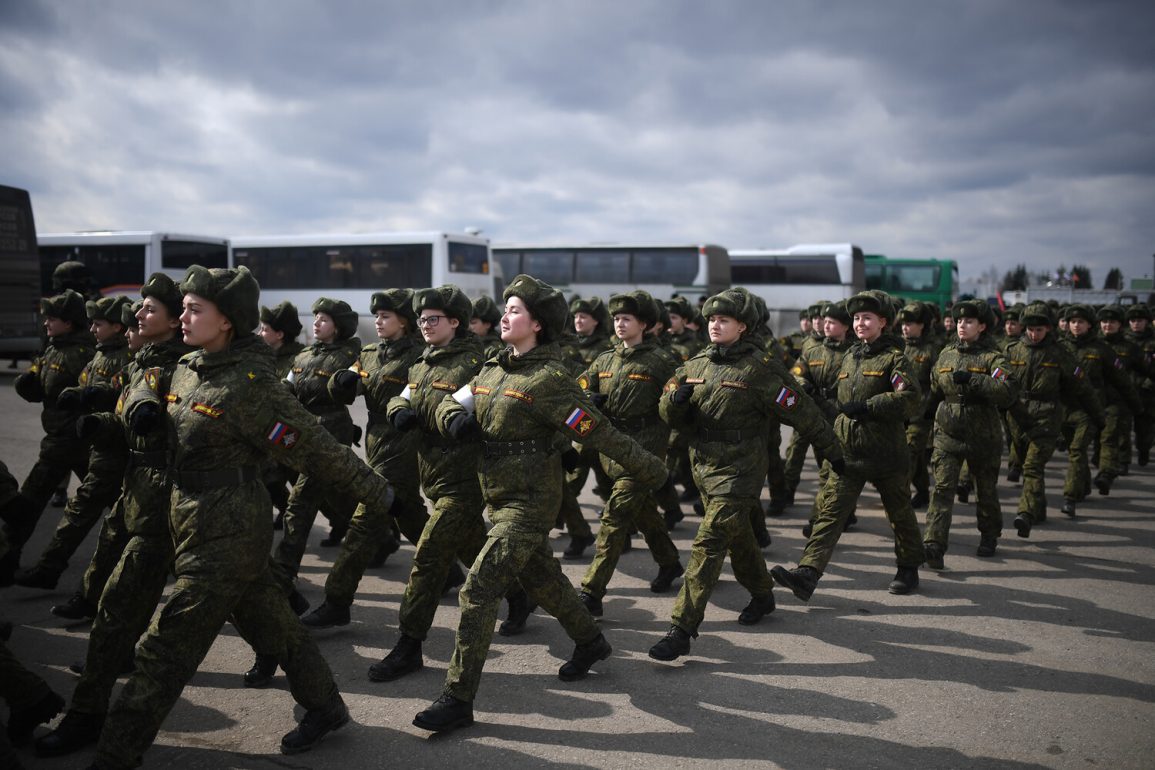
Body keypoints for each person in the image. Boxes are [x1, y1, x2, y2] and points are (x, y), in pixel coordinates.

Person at [87, 265, 396, 768]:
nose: (183, 317)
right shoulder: (189, 366)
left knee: (164, 650)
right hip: (185, 518)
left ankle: (114, 754)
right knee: (274, 625)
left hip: (229, 530)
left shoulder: (253, 384)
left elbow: (316, 449)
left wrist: (385, 499)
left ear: (227, 320)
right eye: (182, 308)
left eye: (195, 310)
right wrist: (136, 406)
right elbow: (144, 387)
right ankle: (326, 707)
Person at [411, 274, 668, 733]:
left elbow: (599, 431)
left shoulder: (550, 380)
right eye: (506, 309)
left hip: (530, 502)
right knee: (545, 581)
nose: (504, 316)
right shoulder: (495, 367)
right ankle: (590, 642)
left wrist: (652, 470)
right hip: (496, 497)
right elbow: (455, 400)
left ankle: (457, 698)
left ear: (539, 325)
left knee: (479, 589)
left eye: (514, 310)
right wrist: (454, 419)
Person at [34, 273, 194, 758]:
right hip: (137, 496)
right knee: (258, 608)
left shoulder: (184, 368)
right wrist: (97, 417)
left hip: (166, 504)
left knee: (120, 607)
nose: (138, 317)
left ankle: (89, 716)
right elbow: (132, 423)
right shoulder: (143, 362)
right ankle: (320, 699)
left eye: (148, 310)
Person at [648, 288, 843, 662]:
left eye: (723, 320)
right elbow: (667, 407)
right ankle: (762, 593)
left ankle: (682, 628)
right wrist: (673, 403)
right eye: (711, 319)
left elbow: (804, 414)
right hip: (704, 465)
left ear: (743, 325)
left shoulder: (761, 368)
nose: (715, 326)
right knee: (738, 539)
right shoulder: (697, 364)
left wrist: (836, 454)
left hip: (742, 468)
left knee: (708, 544)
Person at [369, 285, 493, 683]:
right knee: (475, 546)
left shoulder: (476, 362)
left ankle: (408, 646)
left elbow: (464, 405)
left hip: (464, 477)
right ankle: (523, 594)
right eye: (421, 319)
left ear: (455, 322)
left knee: (426, 560)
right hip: (433, 477)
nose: (424, 324)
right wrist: (399, 409)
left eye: (433, 319)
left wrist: (451, 419)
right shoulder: (423, 363)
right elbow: (399, 396)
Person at [772, 290, 926, 601]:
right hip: (849, 451)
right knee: (830, 513)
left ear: (883, 322)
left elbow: (910, 398)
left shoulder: (894, 359)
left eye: (867, 318)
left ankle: (909, 567)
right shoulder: (850, 356)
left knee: (899, 513)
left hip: (886, 453)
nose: (859, 323)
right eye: (856, 318)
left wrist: (871, 406)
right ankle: (808, 573)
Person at [300, 289, 429, 630]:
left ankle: (336, 601)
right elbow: (347, 387)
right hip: (375, 439)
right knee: (409, 513)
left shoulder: (419, 356)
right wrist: (343, 383)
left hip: (403, 442)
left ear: (404, 321)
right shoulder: (370, 353)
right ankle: (453, 572)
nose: (379, 322)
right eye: (377, 316)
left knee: (364, 522)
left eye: (386, 316)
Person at [576, 290, 684, 618]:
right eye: (617, 319)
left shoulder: (662, 361)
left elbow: (675, 407)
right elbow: (578, 394)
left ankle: (592, 591)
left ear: (645, 324)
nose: (620, 324)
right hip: (612, 447)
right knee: (644, 512)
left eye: (628, 319)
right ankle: (669, 563)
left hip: (645, 449)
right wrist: (587, 408)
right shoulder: (605, 359)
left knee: (615, 517)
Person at [14, 296, 133, 590]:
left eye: (99, 323)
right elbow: (58, 388)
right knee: (115, 511)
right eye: (91, 322)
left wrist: (88, 399)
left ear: (117, 327)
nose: (93, 328)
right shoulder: (89, 354)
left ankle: (54, 572)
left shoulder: (119, 358)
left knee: (69, 508)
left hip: (90, 443)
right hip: (83, 443)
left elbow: (118, 397)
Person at [270, 297, 362, 604]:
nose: (317, 323)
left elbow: (357, 384)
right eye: (316, 318)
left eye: (324, 319)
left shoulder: (352, 352)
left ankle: (283, 574)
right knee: (334, 492)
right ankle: (381, 536)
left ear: (338, 327)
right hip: (304, 427)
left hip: (332, 428)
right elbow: (288, 385)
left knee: (301, 502)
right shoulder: (306, 354)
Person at [1, 289, 95, 585]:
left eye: (52, 319)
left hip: (70, 442)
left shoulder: (83, 355)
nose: (46, 324)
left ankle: (8, 559)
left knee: (26, 505)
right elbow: (39, 386)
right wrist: (27, 384)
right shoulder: (53, 347)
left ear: (69, 322)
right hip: (57, 438)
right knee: (108, 499)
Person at [921, 300, 1017, 567]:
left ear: (982, 326)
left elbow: (1008, 391)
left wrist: (975, 380)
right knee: (941, 489)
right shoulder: (946, 353)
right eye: (960, 321)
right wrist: (927, 417)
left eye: (970, 322)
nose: (962, 325)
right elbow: (935, 387)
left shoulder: (992, 357)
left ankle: (989, 535)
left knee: (985, 490)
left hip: (982, 435)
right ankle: (934, 544)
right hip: (948, 434)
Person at [1003, 302, 1097, 535]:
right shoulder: (1012, 350)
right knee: (1028, 467)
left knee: (1033, 466)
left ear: (1048, 329)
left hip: (1047, 416)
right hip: (1018, 416)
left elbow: (1082, 387)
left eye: (1040, 330)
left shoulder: (1060, 353)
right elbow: (1001, 385)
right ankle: (1039, 508)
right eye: (1031, 329)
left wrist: (1098, 416)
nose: (1034, 334)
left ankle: (1025, 513)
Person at [790, 301, 855, 537]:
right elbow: (796, 373)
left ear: (845, 326)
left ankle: (823, 517)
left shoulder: (854, 352)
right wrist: (803, 383)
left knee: (833, 471)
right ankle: (833, 514)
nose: (825, 326)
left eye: (832, 323)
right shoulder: (813, 349)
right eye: (824, 322)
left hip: (842, 416)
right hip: (816, 414)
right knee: (826, 468)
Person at [257, 301, 305, 528]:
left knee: (310, 486)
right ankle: (287, 510)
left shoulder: (298, 360)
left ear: (279, 334)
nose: (260, 333)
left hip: (293, 432)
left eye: (265, 329)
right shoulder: (264, 357)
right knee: (269, 477)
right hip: (271, 430)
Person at [898, 302, 940, 510]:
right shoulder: (897, 347)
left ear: (922, 325)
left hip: (921, 414)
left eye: (910, 323)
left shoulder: (932, 350)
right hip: (899, 412)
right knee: (919, 455)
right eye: (903, 323)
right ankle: (923, 491)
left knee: (910, 453)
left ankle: (899, 498)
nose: (905, 327)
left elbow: (938, 383)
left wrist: (930, 409)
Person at [1125, 304, 1155, 466]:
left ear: (1147, 322)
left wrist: (1148, 384)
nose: (1136, 323)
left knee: (1144, 428)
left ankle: (1143, 451)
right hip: (1126, 391)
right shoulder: (1123, 340)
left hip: (1147, 392)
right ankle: (1123, 460)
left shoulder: (1152, 341)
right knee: (1122, 429)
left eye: (1140, 320)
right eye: (1133, 320)